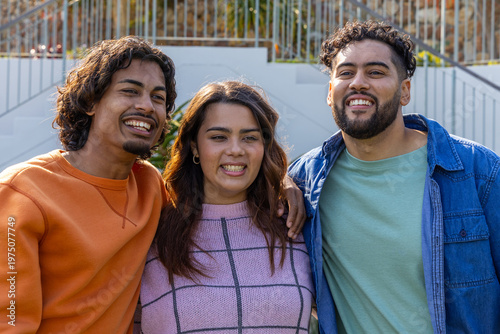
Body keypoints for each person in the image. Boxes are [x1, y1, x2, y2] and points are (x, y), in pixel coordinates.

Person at [288, 20, 500, 334]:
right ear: (330, 92)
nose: (358, 83)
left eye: (376, 72)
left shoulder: (478, 172)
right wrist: (281, 179)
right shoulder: (305, 180)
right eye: (346, 72)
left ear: (404, 91)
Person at [136, 81, 314, 333]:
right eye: (219, 137)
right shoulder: (152, 227)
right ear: (195, 146)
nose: (235, 150)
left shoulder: (296, 223)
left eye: (249, 137)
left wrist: (283, 182)